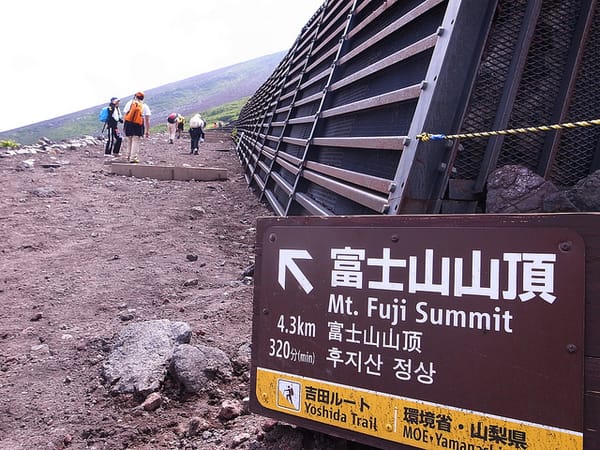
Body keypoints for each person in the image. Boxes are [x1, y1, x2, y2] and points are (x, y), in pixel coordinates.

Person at [122, 91, 151, 163]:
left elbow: (125, 115)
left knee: (129, 140)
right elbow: (147, 119)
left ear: (135, 96)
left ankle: (128, 156)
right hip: (138, 124)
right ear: (143, 98)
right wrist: (147, 130)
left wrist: (124, 126)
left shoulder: (129, 103)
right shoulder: (144, 106)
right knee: (135, 140)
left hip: (128, 123)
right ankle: (133, 157)